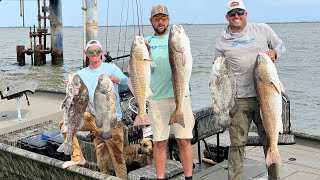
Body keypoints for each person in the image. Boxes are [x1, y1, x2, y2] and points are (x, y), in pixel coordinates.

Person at [214, 0, 286, 180]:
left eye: (240, 12)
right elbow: (219, 65)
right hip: (238, 99)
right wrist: (217, 62)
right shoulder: (222, 40)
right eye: (232, 14)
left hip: (266, 99)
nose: (236, 16)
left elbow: (282, 46)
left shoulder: (262, 29)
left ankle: (274, 177)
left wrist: (273, 53)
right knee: (237, 144)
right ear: (227, 17)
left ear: (246, 14)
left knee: (269, 140)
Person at [59, 39, 128, 179]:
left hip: (111, 121)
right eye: (91, 51)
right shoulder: (81, 74)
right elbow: (75, 96)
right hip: (93, 118)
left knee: (118, 159)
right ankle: (78, 157)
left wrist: (115, 79)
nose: (95, 53)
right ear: (86, 53)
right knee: (64, 125)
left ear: (101, 53)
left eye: (97, 51)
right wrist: (70, 85)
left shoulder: (111, 68)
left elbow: (127, 82)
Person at [145, 5, 194, 180]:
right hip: (157, 98)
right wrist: (146, 54)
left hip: (181, 97)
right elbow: (143, 72)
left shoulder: (180, 40)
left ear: (168, 20)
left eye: (164, 18)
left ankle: (189, 177)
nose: (160, 22)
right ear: (151, 21)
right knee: (159, 142)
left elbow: (186, 64)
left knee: (184, 140)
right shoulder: (147, 42)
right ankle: (160, 178)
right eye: (156, 19)